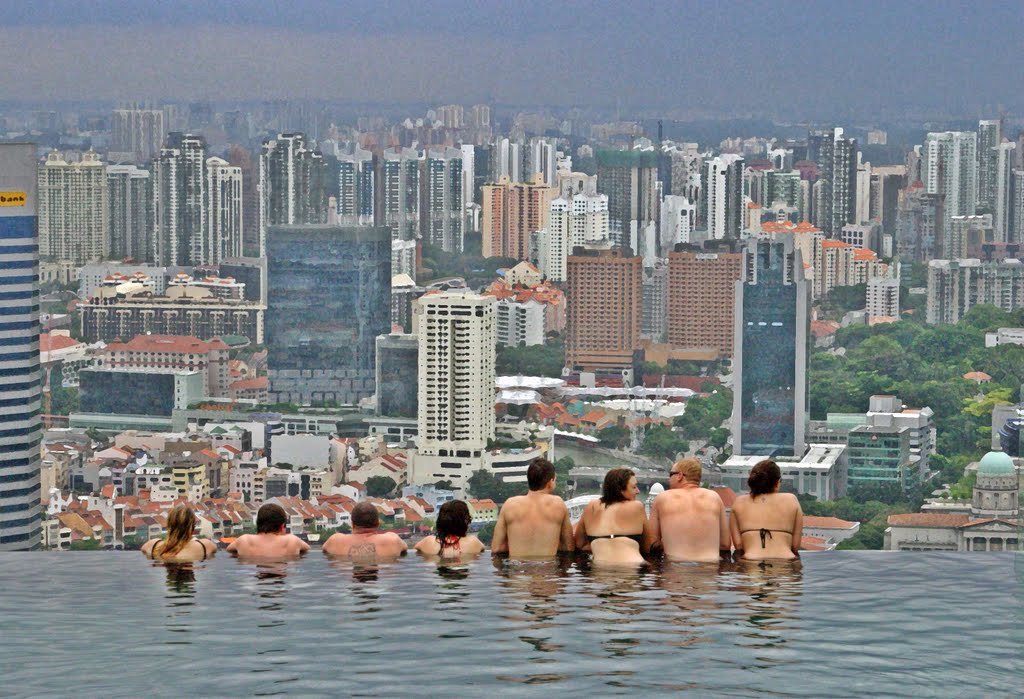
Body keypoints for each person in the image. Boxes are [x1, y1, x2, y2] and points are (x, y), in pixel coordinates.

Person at [648, 458, 730, 562]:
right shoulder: (714, 498)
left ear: (679, 476)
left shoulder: (663, 498)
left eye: (671, 474)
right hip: (709, 570)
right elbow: (725, 544)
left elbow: (652, 542)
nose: (669, 479)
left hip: (676, 569)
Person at [491, 457, 574, 558]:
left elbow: (497, 549)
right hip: (548, 571)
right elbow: (568, 547)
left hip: (517, 571)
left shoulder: (510, 505)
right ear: (550, 482)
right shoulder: (558, 504)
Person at [729, 459, 803, 560]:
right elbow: (795, 546)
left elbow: (738, 545)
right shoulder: (791, 500)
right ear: (777, 483)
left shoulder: (739, 502)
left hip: (751, 564)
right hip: (785, 564)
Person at [573, 468, 648, 565]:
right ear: (620, 490)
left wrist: (599, 543)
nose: (638, 491)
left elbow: (579, 544)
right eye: (634, 487)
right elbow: (648, 546)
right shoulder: (637, 506)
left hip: (600, 569)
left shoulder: (592, 506)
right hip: (633, 566)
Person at [323, 501, 408, 560]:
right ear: (378, 523)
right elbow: (408, 548)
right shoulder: (392, 540)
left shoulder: (335, 541)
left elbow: (324, 550)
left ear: (352, 524)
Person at [226, 503, 310, 559]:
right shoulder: (291, 541)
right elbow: (307, 549)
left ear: (258, 524)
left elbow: (229, 550)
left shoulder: (245, 540)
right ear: (281, 526)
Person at [142, 504, 217, 562]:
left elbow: (143, 550)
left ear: (168, 525)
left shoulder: (152, 546)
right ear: (193, 527)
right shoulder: (205, 546)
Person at [414, 500, 485, 559]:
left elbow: (414, 549)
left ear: (439, 522)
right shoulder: (473, 542)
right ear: (464, 522)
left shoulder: (428, 542)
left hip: (438, 574)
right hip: (462, 571)